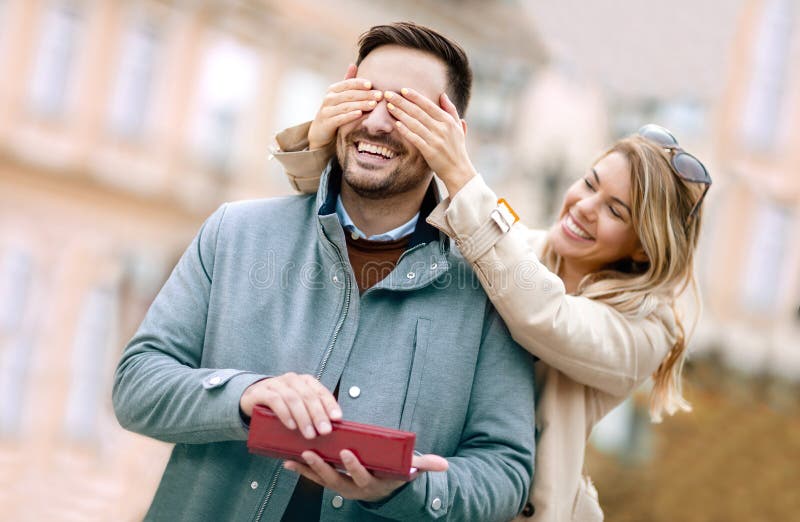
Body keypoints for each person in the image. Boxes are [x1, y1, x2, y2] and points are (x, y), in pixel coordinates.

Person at [112, 22, 537, 522]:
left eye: (407, 108)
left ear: (453, 137)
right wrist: (244, 395)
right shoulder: (234, 233)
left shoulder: (489, 289)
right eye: (366, 97)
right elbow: (135, 387)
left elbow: (506, 473)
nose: (377, 122)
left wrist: (407, 489)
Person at [274, 71, 711, 520]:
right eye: (590, 183)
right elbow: (379, 223)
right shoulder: (516, 252)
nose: (584, 206)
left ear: (645, 244)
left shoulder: (646, 328)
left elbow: (542, 313)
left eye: (615, 210)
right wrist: (320, 147)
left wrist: (460, 173)